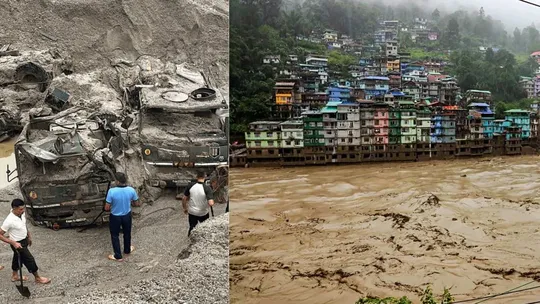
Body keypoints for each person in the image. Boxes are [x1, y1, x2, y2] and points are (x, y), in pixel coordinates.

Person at [0, 199, 50, 284]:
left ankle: (15, 276)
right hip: (17, 243)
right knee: (29, 259)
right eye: (20, 209)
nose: (23, 211)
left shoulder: (21, 214)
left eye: (23, 208)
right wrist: (13, 243)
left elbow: (24, 224)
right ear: (14, 208)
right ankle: (37, 278)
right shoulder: (9, 220)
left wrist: (29, 236)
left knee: (17, 257)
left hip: (24, 240)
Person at [105, 172, 139, 262]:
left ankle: (118, 256)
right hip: (127, 215)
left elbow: (107, 207)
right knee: (127, 233)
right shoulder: (131, 190)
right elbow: (136, 203)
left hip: (115, 216)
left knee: (115, 235)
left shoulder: (111, 191)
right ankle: (127, 250)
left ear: (118, 181)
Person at [183, 170, 215, 236]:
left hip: (192, 212)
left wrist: (185, 208)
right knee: (205, 228)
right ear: (205, 177)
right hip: (203, 213)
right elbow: (211, 203)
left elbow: (184, 198)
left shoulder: (191, 185)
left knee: (192, 227)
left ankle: (190, 239)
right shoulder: (207, 188)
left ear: (196, 177)